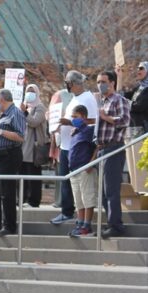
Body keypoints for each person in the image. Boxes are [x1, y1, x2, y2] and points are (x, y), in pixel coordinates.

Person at [50, 71, 99, 225]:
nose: (67, 86)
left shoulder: (88, 98)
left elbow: (92, 121)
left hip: (78, 146)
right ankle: (67, 211)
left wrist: (69, 123)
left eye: (68, 83)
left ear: (74, 83)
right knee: (66, 181)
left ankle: (76, 216)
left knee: (78, 185)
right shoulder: (75, 98)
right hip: (66, 144)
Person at [96, 71, 131, 238]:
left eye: (103, 81)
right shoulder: (101, 101)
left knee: (111, 190)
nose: (100, 84)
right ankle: (111, 221)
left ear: (112, 83)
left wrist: (106, 117)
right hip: (101, 149)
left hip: (114, 148)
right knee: (102, 192)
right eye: (97, 82)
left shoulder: (119, 100)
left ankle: (116, 225)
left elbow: (125, 121)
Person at [0, 89, 26, 237]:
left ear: (2, 99)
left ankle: (9, 225)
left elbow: (21, 136)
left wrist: (0, 132)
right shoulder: (2, 115)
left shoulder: (15, 113)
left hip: (9, 155)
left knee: (6, 192)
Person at [67, 105, 98, 237]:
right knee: (78, 200)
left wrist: (91, 163)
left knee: (87, 198)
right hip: (73, 171)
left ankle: (87, 226)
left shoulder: (89, 130)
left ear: (84, 117)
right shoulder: (76, 131)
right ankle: (80, 224)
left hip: (85, 169)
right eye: (72, 117)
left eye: (76, 117)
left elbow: (98, 146)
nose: (73, 119)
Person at [20, 84, 48, 207]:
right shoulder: (24, 106)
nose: (29, 93)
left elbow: (35, 122)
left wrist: (25, 112)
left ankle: (34, 200)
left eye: (32, 91)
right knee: (23, 174)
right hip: (23, 145)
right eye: (28, 91)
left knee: (33, 174)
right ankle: (23, 198)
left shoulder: (40, 107)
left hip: (33, 147)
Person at [116, 61, 148, 131]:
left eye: (141, 68)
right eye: (138, 68)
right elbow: (120, 96)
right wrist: (119, 76)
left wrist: (125, 102)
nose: (138, 70)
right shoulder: (139, 87)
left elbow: (139, 106)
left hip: (142, 129)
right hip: (132, 127)